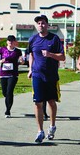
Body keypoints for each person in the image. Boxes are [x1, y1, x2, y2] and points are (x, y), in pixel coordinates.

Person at [27, 15, 65, 143]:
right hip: (37, 75)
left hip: (51, 76)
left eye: (43, 23)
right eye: (38, 23)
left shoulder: (54, 39)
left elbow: (62, 57)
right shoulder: (33, 39)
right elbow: (31, 55)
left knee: (51, 102)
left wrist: (50, 54)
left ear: (47, 25)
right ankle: (40, 131)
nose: (40, 25)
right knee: (38, 103)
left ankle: (52, 126)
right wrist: (30, 69)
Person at [0, 35, 24, 118]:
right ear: (7, 42)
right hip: (3, 74)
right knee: (5, 92)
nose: (10, 42)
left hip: (13, 74)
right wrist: (0, 61)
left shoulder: (18, 51)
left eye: (12, 41)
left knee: (9, 91)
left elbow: (21, 61)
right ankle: (9, 99)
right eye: (9, 40)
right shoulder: (2, 50)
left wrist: (21, 61)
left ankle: (8, 110)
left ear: (15, 42)